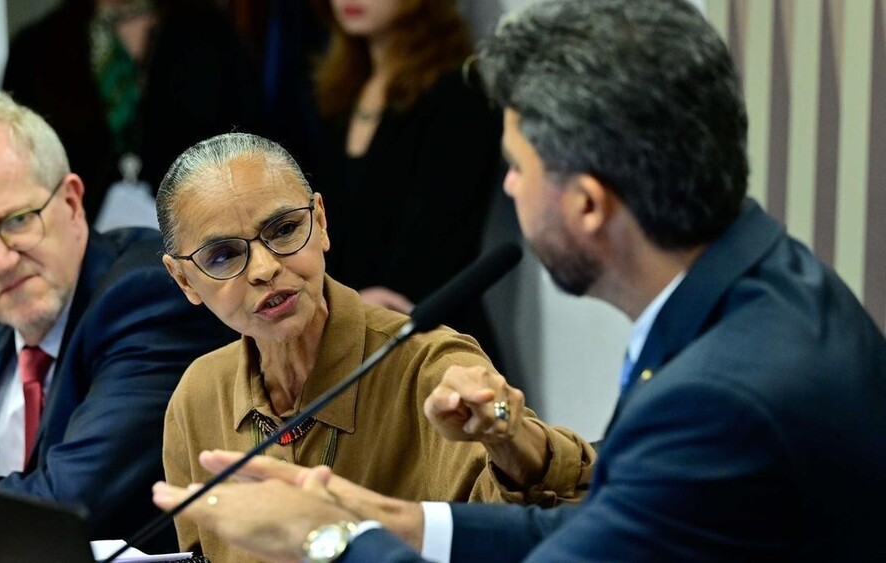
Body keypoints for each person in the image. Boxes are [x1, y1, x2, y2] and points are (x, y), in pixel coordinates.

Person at [151, 0, 886, 560]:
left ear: (588, 202)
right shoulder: (773, 283)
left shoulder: (714, 396)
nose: (505, 189)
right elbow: (595, 523)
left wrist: (330, 537)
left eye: (517, 166)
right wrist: (400, 520)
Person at [154, 132, 594, 561]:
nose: (265, 269)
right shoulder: (198, 396)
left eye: (285, 229)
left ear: (321, 222)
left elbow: (534, 530)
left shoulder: (428, 366)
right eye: (224, 256)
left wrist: (511, 437)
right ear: (183, 280)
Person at [0, 93, 237, 551]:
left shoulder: (145, 297)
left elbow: (61, 502)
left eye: (17, 221)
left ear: (72, 202)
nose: (0, 260)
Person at [312, 0, 504, 362]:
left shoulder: (459, 93)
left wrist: (345, 310)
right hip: (348, 340)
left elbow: (434, 248)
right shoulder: (341, 91)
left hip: (433, 348)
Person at [2, 0, 260, 224]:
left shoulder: (213, 32)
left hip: (208, 234)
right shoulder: (34, 49)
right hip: (79, 247)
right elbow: (18, 166)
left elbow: (255, 144)